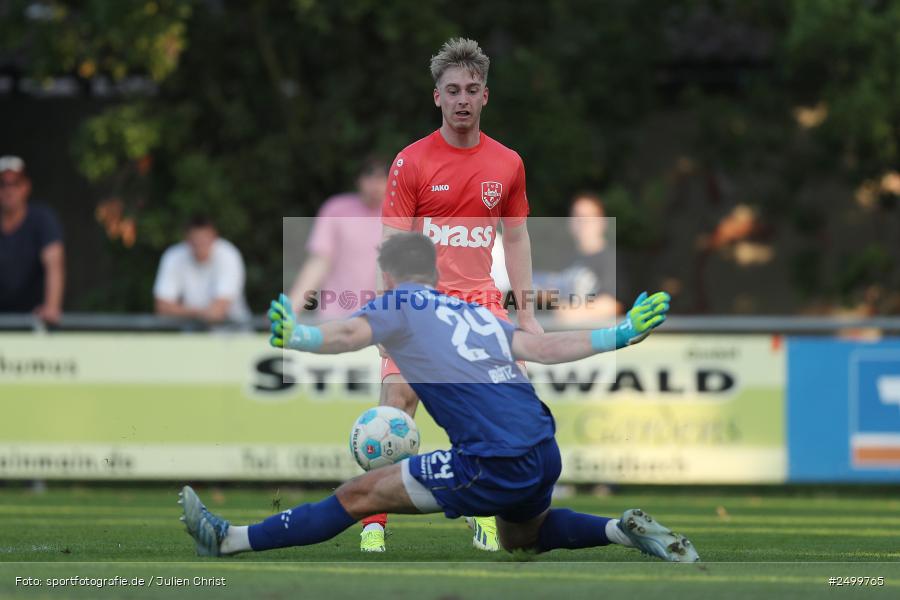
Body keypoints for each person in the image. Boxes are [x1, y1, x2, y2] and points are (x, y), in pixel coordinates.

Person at [179, 232, 696, 562]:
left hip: (493, 459)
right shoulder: (474, 313)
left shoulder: (397, 303)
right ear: (436, 274)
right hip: (543, 447)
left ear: (389, 277)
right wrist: (618, 333)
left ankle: (228, 539)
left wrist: (300, 336)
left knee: (357, 495)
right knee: (521, 538)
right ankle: (621, 530)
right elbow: (542, 348)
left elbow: (348, 334)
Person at [366, 37, 543, 552]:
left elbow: (516, 238)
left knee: (509, 416)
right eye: (452, 90)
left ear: (485, 95)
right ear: (437, 97)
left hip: (480, 307)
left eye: (471, 89)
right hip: (419, 307)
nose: (462, 99)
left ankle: (485, 512)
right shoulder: (411, 162)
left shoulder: (507, 164)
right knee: (394, 408)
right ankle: (374, 524)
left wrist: (526, 314)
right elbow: (392, 242)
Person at [288, 156, 387, 319]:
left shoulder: (403, 214)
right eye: (369, 176)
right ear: (358, 180)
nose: (375, 184)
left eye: (382, 177)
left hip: (383, 319)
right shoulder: (336, 209)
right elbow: (319, 262)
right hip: (335, 316)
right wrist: (290, 310)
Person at [535, 192, 628, 321]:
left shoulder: (614, 260)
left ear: (602, 222)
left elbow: (612, 306)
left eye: (589, 216)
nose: (583, 222)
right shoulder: (564, 260)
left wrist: (567, 312)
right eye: (577, 216)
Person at [0, 155, 65, 324]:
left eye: (15, 183)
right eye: (2, 184)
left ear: (26, 187)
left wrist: (51, 307)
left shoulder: (42, 219)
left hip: (33, 321)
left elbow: (54, 262)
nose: (8, 190)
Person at [153, 215, 251, 325]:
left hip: (233, 332)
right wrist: (201, 313)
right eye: (196, 240)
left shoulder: (228, 254)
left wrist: (183, 311)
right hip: (192, 332)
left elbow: (218, 312)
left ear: (214, 236)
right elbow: (162, 308)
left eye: (204, 239)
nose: (200, 244)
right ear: (187, 239)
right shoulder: (173, 256)